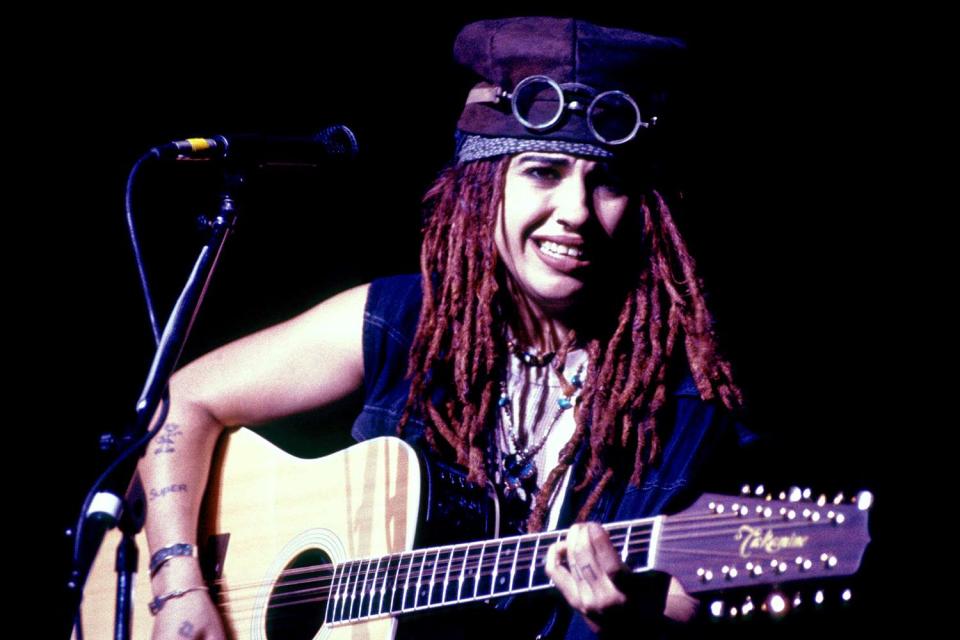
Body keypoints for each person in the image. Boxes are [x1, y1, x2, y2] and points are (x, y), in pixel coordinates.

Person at [140, 16, 752, 640]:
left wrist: (632, 617)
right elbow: (179, 402)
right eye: (543, 172)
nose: (574, 212)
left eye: (610, 183)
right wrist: (177, 584)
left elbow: (696, 600)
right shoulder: (408, 319)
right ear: (486, 188)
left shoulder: (684, 403)